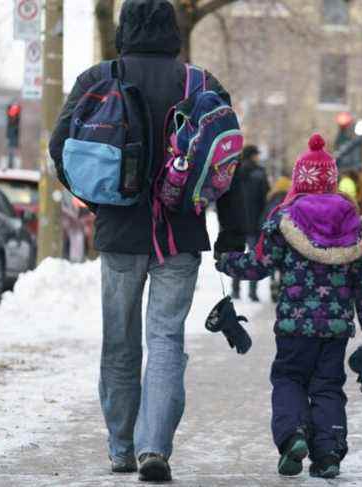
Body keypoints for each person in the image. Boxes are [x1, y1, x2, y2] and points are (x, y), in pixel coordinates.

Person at [49, 0, 245, 482]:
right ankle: (152, 447)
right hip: (180, 236)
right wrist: (232, 235)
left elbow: (61, 148)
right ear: (173, 30)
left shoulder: (99, 78)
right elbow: (228, 157)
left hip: (120, 234)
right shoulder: (200, 83)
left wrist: (100, 201)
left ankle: (120, 447)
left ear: (124, 28)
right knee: (165, 340)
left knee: (119, 342)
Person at [216, 134, 362, 479]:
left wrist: (227, 263)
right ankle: (329, 451)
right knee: (327, 386)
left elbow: (259, 264)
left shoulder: (285, 219)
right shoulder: (351, 222)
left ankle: (293, 435)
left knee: (289, 379)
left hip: (295, 325)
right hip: (335, 328)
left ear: (299, 179)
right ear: (332, 180)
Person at [231, 145, 270, 302]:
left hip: (237, 223)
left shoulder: (234, 172)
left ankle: (235, 290)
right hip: (255, 223)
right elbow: (266, 199)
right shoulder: (260, 173)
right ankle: (252, 292)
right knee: (255, 258)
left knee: (238, 256)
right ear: (253, 156)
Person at [263, 174, 292, 302]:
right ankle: (280, 286)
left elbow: (266, 215)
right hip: (286, 235)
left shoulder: (271, 197)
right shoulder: (290, 199)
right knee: (282, 265)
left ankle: (272, 282)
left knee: (272, 261)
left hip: (272, 234)